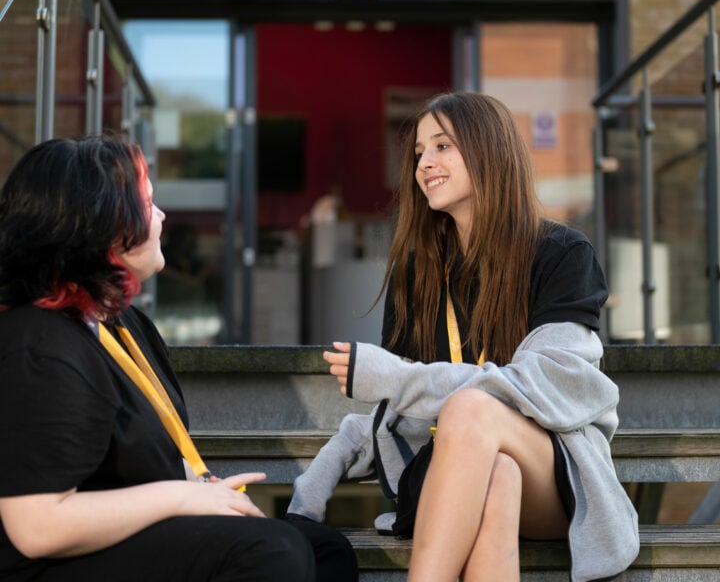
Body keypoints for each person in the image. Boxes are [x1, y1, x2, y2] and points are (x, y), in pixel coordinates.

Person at [288, 92, 639, 582]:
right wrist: (305, 504)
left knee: (475, 411)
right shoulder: (416, 271)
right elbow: (384, 419)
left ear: (488, 150)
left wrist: (402, 379)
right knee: (497, 477)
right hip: (442, 473)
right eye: (418, 153)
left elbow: (553, 383)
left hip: (551, 477)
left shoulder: (560, 253)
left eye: (442, 146)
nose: (423, 163)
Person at [0, 134, 357, 582]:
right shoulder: (40, 345)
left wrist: (200, 489)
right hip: (49, 565)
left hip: (125, 541)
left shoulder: (124, 323)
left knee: (324, 550)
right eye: (148, 204)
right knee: (273, 551)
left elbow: (139, 459)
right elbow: (37, 527)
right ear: (106, 227)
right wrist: (183, 498)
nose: (163, 216)